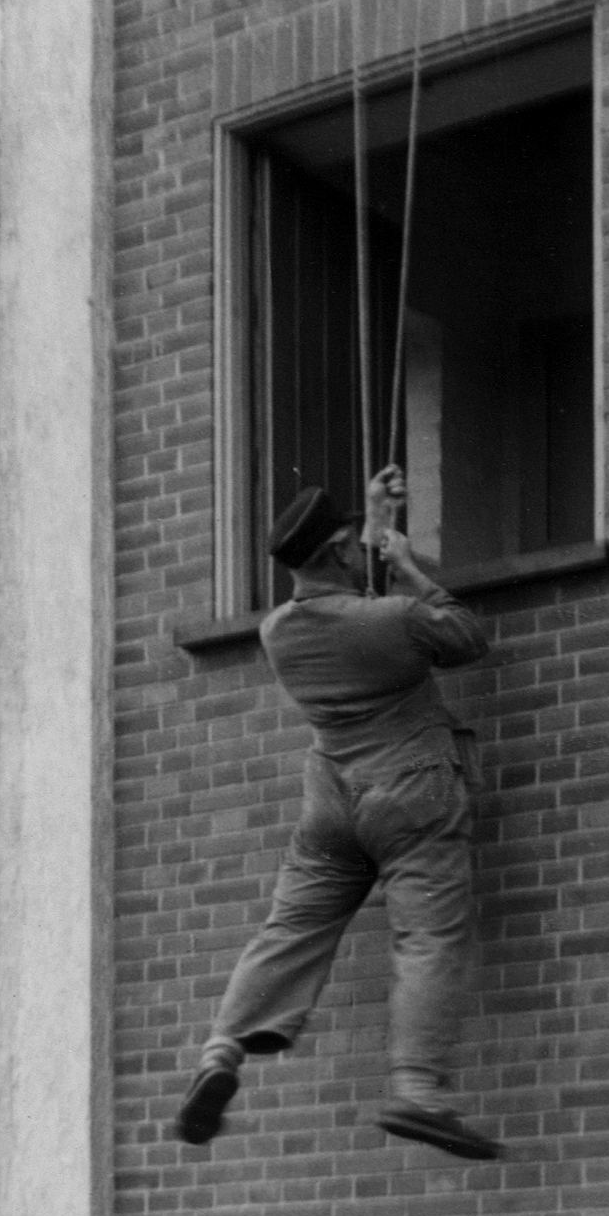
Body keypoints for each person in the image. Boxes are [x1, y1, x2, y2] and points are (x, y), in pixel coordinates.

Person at [173, 466, 500, 1162]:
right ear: (341, 549)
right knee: (427, 935)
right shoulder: (396, 616)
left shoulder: (276, 631)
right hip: (412, 792)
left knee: (289, 925)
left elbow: (351, 609)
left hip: (330, 802)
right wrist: (406, 563)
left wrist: (371, 528)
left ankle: (221, 1049)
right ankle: (417, 1089)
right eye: (354, 543)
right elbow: (467, 635)